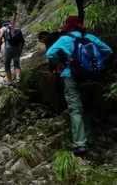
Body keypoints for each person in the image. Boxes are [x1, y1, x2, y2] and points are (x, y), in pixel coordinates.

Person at [46, 15, 113, 156]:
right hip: (91, 76)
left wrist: (61, 63)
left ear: (68, 28)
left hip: (71, 75)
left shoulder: (65, 39)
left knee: (75, 109)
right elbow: (108, 51)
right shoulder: (90, 38)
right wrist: (98, 63)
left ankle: (80, 144)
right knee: (88, 107)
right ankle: (89, 138)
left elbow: (50, 53)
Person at [38, 31, 67, 113]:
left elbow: (51, 55)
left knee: (60, 87)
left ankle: (62, 109)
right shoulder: (61, 35)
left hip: (62, 66)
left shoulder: (49, 40)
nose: (43, 43)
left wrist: (51, 70)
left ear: (43, 36)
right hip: (71, 62)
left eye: (42, 41)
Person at [0, 19, 25, 83]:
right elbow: (22, 41)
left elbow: (0, 37)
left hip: (8, 49)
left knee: (7, 65)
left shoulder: (4, 28)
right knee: (17, 64)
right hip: (17, 48)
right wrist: (20, 49)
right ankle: (17, 78)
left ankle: (9, 82)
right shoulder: (15, 28)